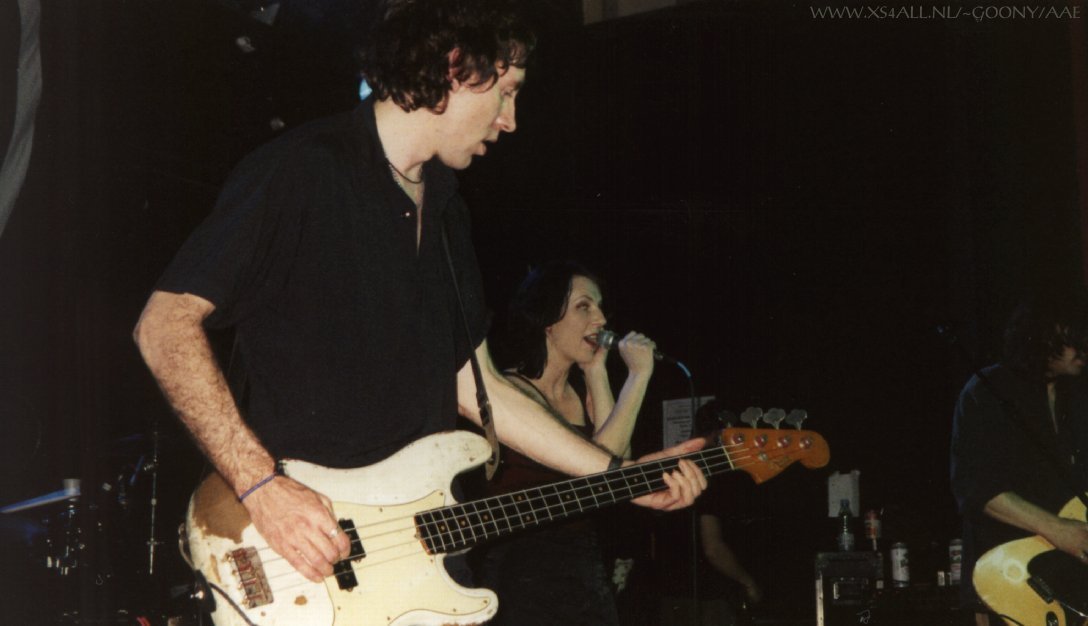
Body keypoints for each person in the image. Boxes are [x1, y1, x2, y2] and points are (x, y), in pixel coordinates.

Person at [132, 0, 705, 592]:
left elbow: (481, 391)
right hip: (298, 553)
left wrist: (620, 474)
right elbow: (164, 324)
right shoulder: (305, 169)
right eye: (506, 92)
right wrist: (260, 485)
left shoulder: (448, 212)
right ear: (455, 67)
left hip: (413, 557)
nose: (510, 120)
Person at [477, 260, 658, 624]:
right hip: (520, 570)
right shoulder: (510, 392)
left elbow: (616, 468)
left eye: (600, 306)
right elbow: (599, 470)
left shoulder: (579, 392)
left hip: (581, 564)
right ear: (547, 321)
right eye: (584, 306)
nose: (601, 319)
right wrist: (638, 377)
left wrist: (595, 372)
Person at [950, 290, 1088, 625]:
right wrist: (1058, 529)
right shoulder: (988, 389)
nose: (1083, 349)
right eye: (1074, 338)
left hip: (1072, 581)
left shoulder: (1077, 397)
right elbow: (976, 488)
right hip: (1012, 578)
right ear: (1044, 335)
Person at [660, 399, 762, 626]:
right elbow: (713, 548)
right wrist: (748, 583)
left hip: (671, 595)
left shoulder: (678, 468)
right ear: (721, 434)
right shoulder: (710, 475)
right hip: (706, 600)